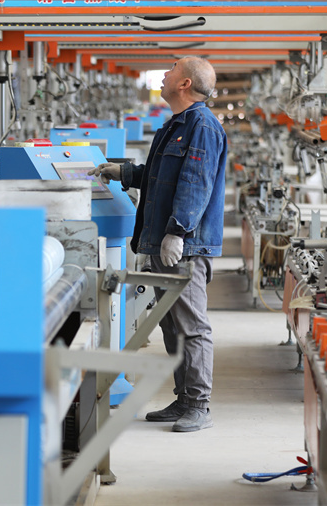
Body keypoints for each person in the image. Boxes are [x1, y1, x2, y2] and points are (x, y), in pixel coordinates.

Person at [88, 57, 227, 432]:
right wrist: (124, 172)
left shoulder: (201, 126)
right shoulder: (176, 125)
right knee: (172, 325)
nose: (165, 74)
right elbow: (161, 176)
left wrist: (177, 231)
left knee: (192, 326)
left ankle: (198, 404)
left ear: (185, 84)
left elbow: (196, 183)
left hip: (185, 245)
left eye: (172, 69)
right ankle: (184, 399)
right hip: (163, 241)